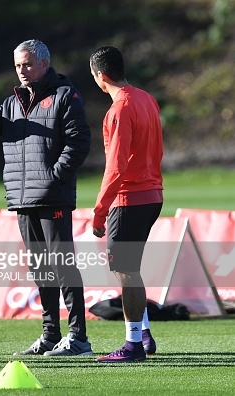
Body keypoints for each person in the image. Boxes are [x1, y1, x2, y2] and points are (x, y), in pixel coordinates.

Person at [0, 39, 92, 356]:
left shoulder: (65, 95)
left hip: (52, 196)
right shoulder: (13, 102)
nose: (21, 71)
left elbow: (79, 142)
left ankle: (78, 338)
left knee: (62, 265)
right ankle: (51, 334)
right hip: (24, 198)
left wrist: (55, 177)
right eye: (17, 66)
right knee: (40, 269)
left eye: (26, 64)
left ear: (44, 64)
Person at [89, 46, 162, 363]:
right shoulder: (146, 98)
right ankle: (143, 334)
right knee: (131, 270)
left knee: (126, 271)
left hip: (129, 198)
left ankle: (132, 345)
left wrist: (100, 210)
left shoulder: (119, 110)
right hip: (152, 194)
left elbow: (116, 167)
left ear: (101, 76)